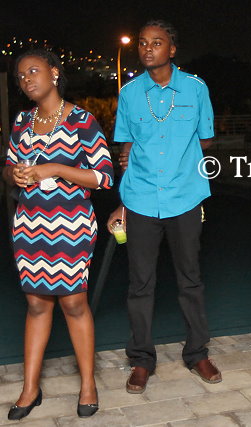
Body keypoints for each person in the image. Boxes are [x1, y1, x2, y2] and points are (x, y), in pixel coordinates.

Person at [106, 20, 220, 393]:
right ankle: (141, 360)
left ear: (172, 49)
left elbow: (205, 140)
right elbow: (125, 145)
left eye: (157, 42)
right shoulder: (129, 93)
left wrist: (176, 159)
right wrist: (123, 202)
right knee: (140, 283)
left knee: (190, 279)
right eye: (142, 43)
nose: (148, 48)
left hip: (185, 196)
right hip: (140, 198)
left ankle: (197, 353)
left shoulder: (196, 88)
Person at [4, 49, 114, 420]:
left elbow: (103, 177)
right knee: (36, 304)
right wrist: (15, 174)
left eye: (33, 71)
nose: (27, 80)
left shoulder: (82, 120)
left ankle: (88, 385)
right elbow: (8, 166)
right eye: (21, 76)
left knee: (73, 304)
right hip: (29, 224)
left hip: (71, 225)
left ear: (54, 73)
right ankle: (30, 388)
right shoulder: (22, 121)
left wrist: (54, 168)